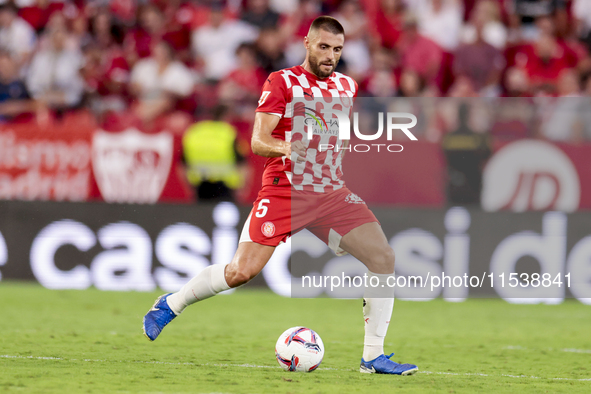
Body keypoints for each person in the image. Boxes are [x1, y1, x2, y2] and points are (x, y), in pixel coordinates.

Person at [143, 16, 418, 376]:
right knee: (241, 271)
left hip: (331, 193)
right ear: (306, 43)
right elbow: (258, 141)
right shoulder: (282, 81)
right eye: (323, 47)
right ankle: (171, 303)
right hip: (287, 191)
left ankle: (372, 358)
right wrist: (290, 145)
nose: (330, 56)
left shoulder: (347, 86)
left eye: (337, 49)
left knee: (382, 258)